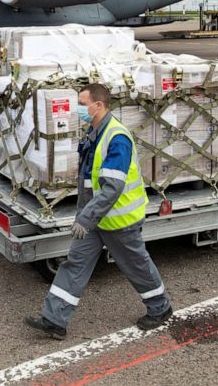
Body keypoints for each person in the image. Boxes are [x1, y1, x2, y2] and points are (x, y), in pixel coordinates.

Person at [25, 83, 172, 339]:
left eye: (83, 104)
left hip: (119, 221)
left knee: (136, 266)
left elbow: (112, 188)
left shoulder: (117, 139)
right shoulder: (93, 132)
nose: (79, 109)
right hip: (94, 221)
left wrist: (85, 217)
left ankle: (161, 308)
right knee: (75, 264)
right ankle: (54, 320)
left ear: (99, 105)